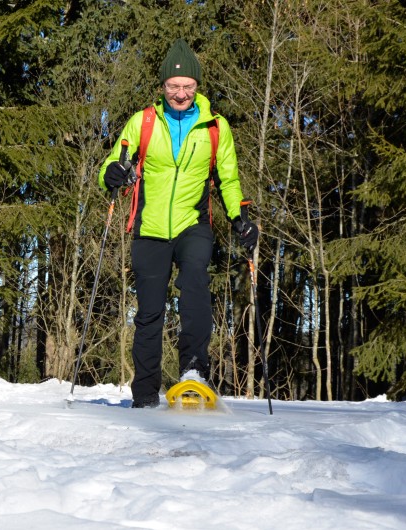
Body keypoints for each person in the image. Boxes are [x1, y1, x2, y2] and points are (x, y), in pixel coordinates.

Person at [98, 38, 258, 408]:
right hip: (149, 227)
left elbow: (228, 179)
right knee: (149, 311)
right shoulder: (143, 122)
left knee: (195, 283)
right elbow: (112, 164)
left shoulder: (215, 127)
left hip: (193, 223)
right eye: (174, 86)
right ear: (163, 86)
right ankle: (144, 393)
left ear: (197, 86)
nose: (181, 94)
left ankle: (194, 370)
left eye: (188, 86)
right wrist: (112, 174)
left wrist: (239, 218)